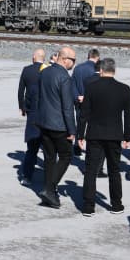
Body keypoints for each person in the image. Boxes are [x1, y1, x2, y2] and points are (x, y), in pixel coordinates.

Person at [78, 58, 130, 216]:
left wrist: (80, 134)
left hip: (94, 134)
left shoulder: (91, 87)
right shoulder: (124, 89)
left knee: (91, 170)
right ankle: (116, 204)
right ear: (114, 70)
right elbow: (128, 115)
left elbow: (84, 113)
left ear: (101, 70)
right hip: (114, 135)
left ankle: (88, 207)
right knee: (114, 170)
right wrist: (127, 137)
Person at [35, 46, 77, 208]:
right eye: (73, 60)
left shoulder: (44, 72)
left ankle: (50, 192)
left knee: (49, 157)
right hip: (59, 125)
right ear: (65, 59)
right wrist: (72, 130)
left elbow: (39, 96)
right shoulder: (64, 77)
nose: (74, 63)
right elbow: (67, 107)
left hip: (44, 122)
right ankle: (50, 188)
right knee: (66, 156)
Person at [17, 48, 45, 186]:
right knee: (48, 150)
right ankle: (49, 179)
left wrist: (22, 107)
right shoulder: (48, 70)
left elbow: (21, 90)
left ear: (34, 57)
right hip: (46, 113)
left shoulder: (26, 70)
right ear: (43, 58)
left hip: (32, 111)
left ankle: (27, 176)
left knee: (31, 148)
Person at [72, 49, 100, 155]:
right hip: (92, 103)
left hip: (79, 101)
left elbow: (73, 84)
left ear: (88, 56)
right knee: (92, 126)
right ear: (97, 58)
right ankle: (90, 148)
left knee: (79, 123)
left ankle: (77, 146)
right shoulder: (96, 70)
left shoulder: (78, 68)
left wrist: (77, 97)